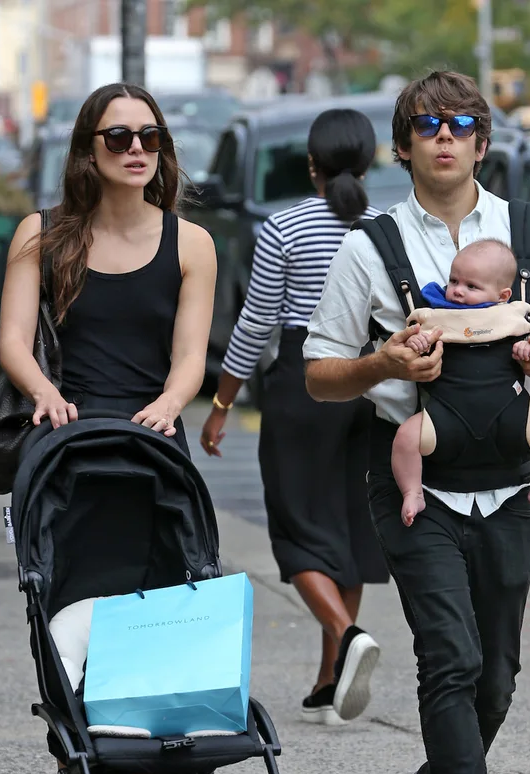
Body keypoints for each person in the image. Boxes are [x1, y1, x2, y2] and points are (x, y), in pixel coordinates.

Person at [304, 71, 530, 774]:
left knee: (496, 677)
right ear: (402, 145)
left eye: (461, 122)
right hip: (416, 484)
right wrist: (382, 362)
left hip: (509, 484)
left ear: (481, 139)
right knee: (451, 659)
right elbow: (320, 375)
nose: (445, 135)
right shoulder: (371, 246)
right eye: (427, 124)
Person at [0, 82, 217, 774]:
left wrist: (169, 402)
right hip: (65, 447)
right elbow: (15, 341)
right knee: (64, 616)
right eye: (118, 137)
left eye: (149, 138)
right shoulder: (44, 234)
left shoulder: (190, 243)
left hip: (154, 451)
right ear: (88, 148)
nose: (135, 151)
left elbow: (192, 358)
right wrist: (44, 391)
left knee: (155, 614)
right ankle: (79, 772)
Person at [200, 108, 388, 726]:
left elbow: (255, 325)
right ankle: (332, 680)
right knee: (349, 525)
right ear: (371, 162)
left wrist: (222, 403)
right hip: (370, 381)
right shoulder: (386, 229)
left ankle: (345, 632)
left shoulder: (283, 226)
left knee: (297, 527)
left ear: (311, 165)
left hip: (302, 384)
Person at [392, 238, 530, 528]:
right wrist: (419, 340)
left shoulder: (513, 317)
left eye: (471, 286)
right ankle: (412, 491)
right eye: (454, 280)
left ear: (503, 294)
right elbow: (414, 347)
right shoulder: (436, 315)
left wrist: (527, 351)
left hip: (511, 414)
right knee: (406, 438)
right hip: (446, 415)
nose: (457, 291)